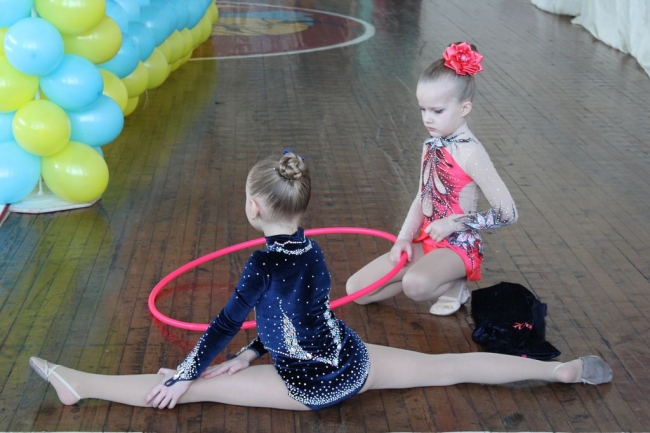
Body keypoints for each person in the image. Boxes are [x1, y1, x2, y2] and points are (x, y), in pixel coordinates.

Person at [29, 151, 612, 411]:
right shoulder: (311, 250)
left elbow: (225, 324)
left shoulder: (261, 264)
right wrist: (250, 353)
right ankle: (558, 371)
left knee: (187, 386)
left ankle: (78, 383)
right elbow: (300, 318)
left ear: (254, 207)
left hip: (310, 385)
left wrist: (190, 371)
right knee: (445, 368)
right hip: (350, 362)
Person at [346, 42, 517, 316]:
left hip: (458, 246)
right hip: (428, 240)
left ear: (464, 108)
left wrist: (453, 223)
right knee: (357, 290)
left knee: (415, 286)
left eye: (437, 111)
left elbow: (507, 213)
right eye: (422, 110)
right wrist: (404, 238)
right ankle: (424, 272)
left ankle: (454, 285)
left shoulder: (471, 153)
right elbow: (422, 196)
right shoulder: (431, 144)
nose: (428, 119)